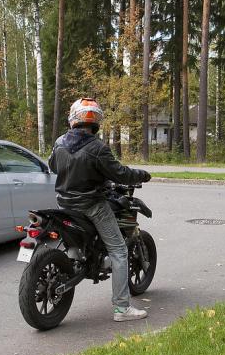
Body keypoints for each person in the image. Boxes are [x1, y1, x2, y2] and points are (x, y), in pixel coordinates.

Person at [48, 97, 152, 322]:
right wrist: (142, 174)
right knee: (119, 251)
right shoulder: (97, 147)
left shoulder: (59, 142)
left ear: (73, 118)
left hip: (64, 204)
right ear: (96, 121)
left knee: (74, 243)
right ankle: (122, 308)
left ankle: (78, 258)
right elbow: (120, 174)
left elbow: (52, 166)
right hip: (91, 205)